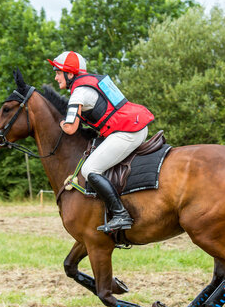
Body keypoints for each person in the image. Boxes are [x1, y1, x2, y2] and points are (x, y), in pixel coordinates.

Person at [48, 51, 155, 233]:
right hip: (134, 125)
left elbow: (70, 128)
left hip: (127, 131)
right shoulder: (95, 81)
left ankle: (121, 214)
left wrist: (60, 122)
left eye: (58, 72)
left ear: (70, 74)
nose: (56, 77)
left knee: (89, 169)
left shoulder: (79, 93)